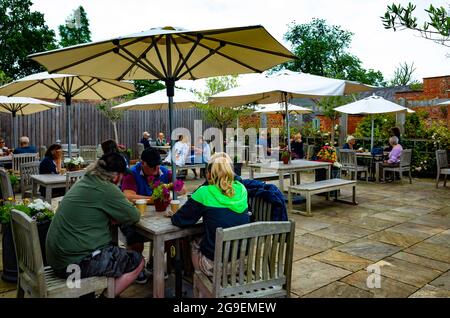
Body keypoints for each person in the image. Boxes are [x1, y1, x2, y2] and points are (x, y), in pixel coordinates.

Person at [45, 153, 144, 297]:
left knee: (113, 250)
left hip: (58, 259)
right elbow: (134, 216)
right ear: (116, 176)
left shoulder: (85, 180)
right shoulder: (107, 188)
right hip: (74, 264)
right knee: (137, 261)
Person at [171, 152, 249, 281]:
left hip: (213, 265)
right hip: (240, 262)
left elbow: (179, 220)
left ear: (208, 173)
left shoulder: (204, 192)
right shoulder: (241, 189)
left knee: (194, 243)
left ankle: (199, 281)